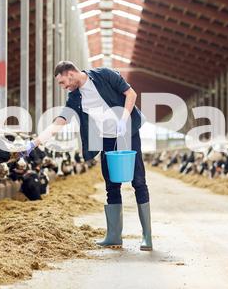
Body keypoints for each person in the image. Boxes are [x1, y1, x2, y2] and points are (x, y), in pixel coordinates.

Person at [24, 61, 152, 251]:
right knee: (111, 184)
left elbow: (130, 94)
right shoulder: (74, 98)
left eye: (62, 82)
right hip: (106, 141)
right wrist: (35, 142)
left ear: (70, 73)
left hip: (127, 132)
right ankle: (114, 236)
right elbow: (60, 121)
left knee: (138, 181)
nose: (64, 87)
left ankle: (147, 236)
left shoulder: (104, 75)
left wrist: (123, 119)